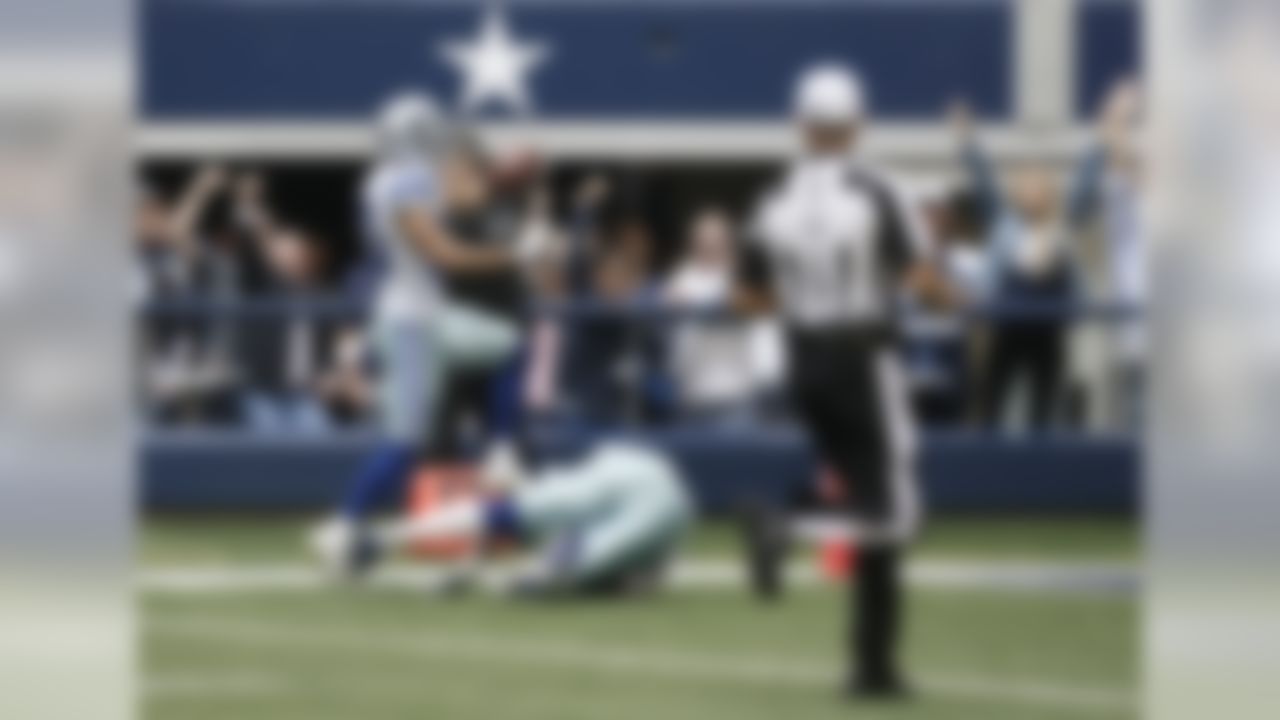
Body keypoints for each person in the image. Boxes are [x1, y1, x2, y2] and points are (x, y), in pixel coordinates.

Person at [735, 62, 951, 699]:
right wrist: (951, 299)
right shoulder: (877, 186)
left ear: (801, 125)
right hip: (864, 356)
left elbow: (744, 297)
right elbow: (920, 278)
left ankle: (872, 667)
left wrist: (803, 303)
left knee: (865, 500)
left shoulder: (770, 196)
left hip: (804, 357)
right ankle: (783, 525)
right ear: (858, 123)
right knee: (897, 513)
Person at [309, 91, 539, 572]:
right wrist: (510, 255)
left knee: (507, 342)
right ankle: (345, 525)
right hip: (410, 324)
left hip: (426, 316)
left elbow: (459, 195)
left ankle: (501, 451)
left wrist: (503, 178)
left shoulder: (386, 180)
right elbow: (443, 253)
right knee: (404, 443)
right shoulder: (404, 182)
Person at [323, 440, 694, 599]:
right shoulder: (650, 534)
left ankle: (383, 538)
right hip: (644, 491)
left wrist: (506, 576)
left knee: (538, 539)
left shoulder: (641, 533)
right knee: (529, 524)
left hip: (629, 473)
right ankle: (383, 538)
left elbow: (558, 565)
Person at [949, 100, 1099, 431]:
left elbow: (1086, 188)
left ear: (1050, 191)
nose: (1031, 190)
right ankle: (989, 464)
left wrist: (1100, 139)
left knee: (1044, 404)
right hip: (1009, 326)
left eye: (1039, 184)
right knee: (992, 398)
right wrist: (967, 138)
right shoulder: (1005, 224)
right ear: (1016, 192)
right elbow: (984, 182)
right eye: (1024, 184)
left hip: (1047, 330)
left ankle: (1044, 467)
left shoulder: (1063, 223)